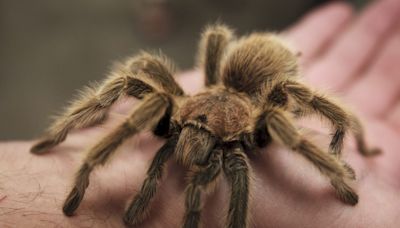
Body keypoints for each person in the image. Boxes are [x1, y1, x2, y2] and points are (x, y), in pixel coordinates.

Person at [1, 0, 400, 227]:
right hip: (223, 90)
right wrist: (82, 161)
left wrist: (338, 176)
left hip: (257, 86)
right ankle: (79, 156)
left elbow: (294, 129)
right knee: (133, 79)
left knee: (281, 128)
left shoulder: (267, 114)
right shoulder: (171, 109)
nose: (189, 141)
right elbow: (139, 74)